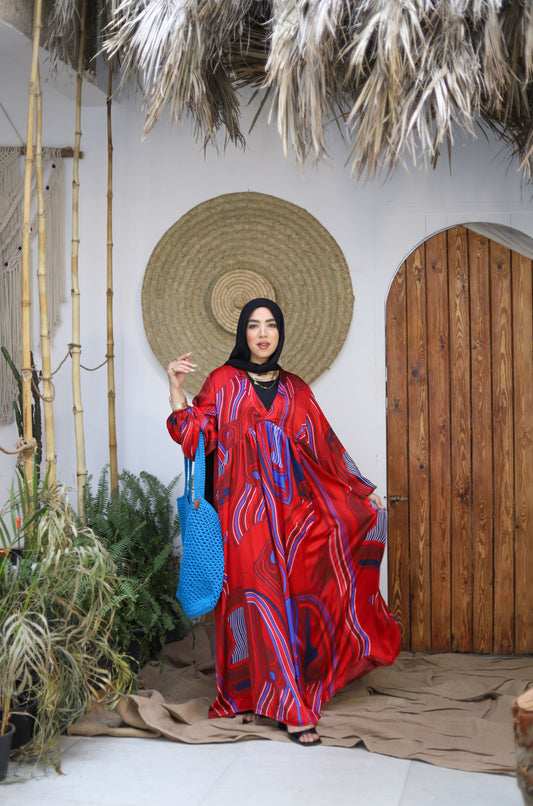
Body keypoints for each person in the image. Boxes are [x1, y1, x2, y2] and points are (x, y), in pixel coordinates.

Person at [167, 298, 401, 746]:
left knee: (295, 604)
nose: (262, 333)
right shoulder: (222, 381)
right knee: (255, 603)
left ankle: (282, 694)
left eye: (270, 325)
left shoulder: (296, 388)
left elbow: (326, 446)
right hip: (242, 517)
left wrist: (361, 489)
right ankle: (283, 707)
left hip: (293, 518)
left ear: (280, 333)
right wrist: (177, 389)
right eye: (253, 325)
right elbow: (195, 435)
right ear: (243, 333)